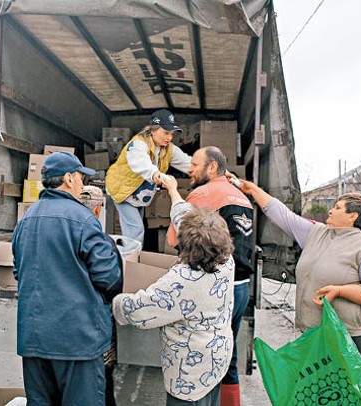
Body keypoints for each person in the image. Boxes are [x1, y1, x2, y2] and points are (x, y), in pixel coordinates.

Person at [236, 180, 361, 390]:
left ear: (352, 216)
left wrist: (340, 291)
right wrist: (253, 189)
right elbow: (284, 216)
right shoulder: (316, 233)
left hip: (354, 341)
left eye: (337, 207)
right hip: (318, 339)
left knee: (358, 401)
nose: (330, 211)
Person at [12, 152, 123, 405]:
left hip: (34, 338)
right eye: (81, 178)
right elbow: (109, 277)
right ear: (69, 178)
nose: (83, 185)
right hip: (77, 341)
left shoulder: (25, 219)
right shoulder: (83, 219)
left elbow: (20, 272)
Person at [113, 204, 235, 405]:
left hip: (188, 377)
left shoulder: (181, 281)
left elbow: (138, 311)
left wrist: (113, 299)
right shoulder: (226, 262)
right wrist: (172, 191)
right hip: (216, 360)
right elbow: (187, 218)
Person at [165, 146, 253, 405]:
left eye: (194, 164)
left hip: (215, 289)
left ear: (212, 167)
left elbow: (174, 238)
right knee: (229, 355)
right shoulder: (241, 197)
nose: (189, 169)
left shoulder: (203, 193)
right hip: (241, 286)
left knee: (202, 358)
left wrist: (173, 194)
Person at [105, 109, 191, 245]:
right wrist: (156, 174)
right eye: (166, 133)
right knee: (135, 231)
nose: (169, 137)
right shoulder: (138, 144)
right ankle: (130, 263)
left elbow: (188, 163)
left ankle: (131, 259)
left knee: (134, 232)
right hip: (123, 190)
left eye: (172, 134)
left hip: (138, 194)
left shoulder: (168, 148)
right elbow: (141, 163)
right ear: (153, 130)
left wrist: (216, 171)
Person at [79, 185, 120, 406]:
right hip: (96, 326)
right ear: (97, 210)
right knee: (102, 380)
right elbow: (113, 283)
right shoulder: (102, 241)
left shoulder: (65, 234)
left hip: (67, 330)